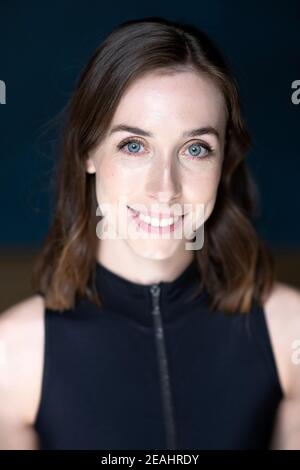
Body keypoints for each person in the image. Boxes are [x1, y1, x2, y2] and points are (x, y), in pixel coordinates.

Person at [0, 16, 300, 450]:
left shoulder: (290, 331)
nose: (165, 189)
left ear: (224, 161)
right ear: (88, 151)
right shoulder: (13, 355)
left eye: (195, 149)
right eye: (134, 145)